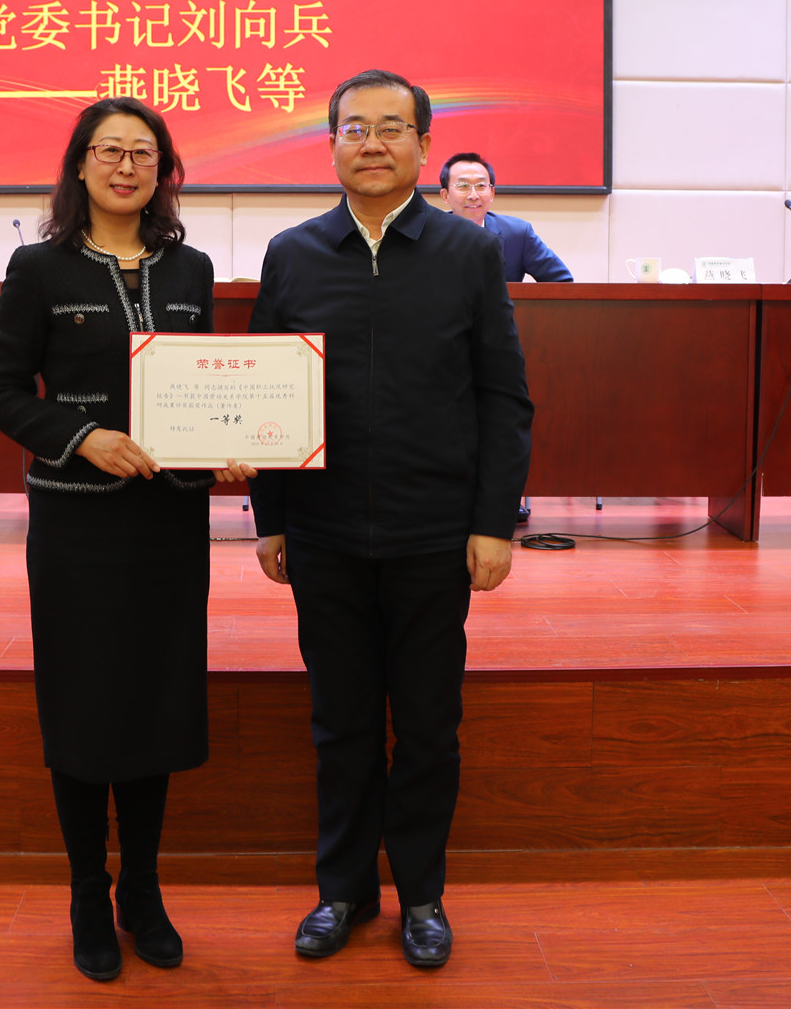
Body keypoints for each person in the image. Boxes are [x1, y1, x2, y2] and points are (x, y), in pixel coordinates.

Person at [248, 69, 533, 970]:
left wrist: (494, 521)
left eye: (391, 127)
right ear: (331, 142)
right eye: (353, 128)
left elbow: (503, 395)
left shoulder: (466, 252)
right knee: (339, 724)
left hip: (432, 533)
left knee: (428, 725)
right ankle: (342, 890)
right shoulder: (293, 253)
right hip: (324, 532)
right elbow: (267, 394)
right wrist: (270, 517)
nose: (371, 142)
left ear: (423, 145)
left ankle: (421, 894)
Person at [0, 98, 253, 982]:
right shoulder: (38, 267)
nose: (127, 166)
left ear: (164, 170)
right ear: (80, 164)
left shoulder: (191, 267)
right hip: (78, 522)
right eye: (110, 151)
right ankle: (87, 894)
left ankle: (142, 887)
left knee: (154, 702)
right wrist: (82, 435)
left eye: (144, 152)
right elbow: (0, 391)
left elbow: (205, 388)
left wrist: (231, 445)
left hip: (168, 522)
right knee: (84, 705)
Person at [437, 152, 573, 282]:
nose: (473, 195)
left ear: (492, 193)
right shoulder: (429, 234)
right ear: (445, 195)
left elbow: (562, 283)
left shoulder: (518, 234)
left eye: (480, 186)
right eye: (463, 186)